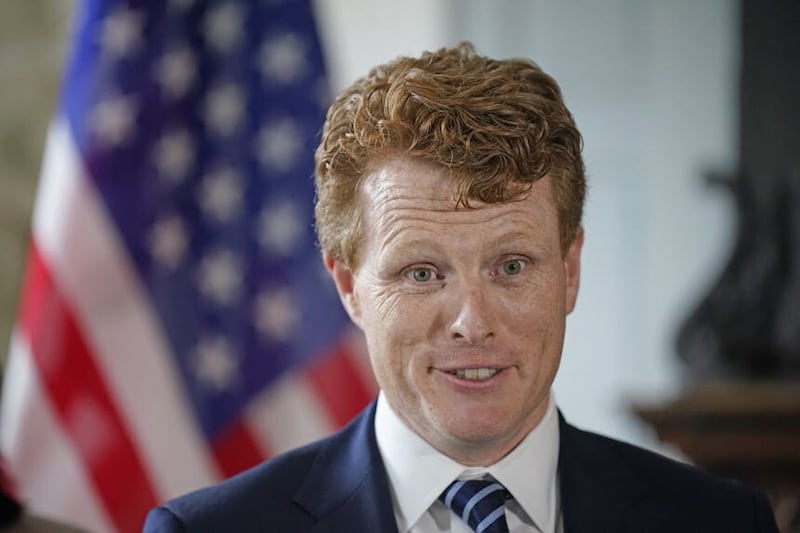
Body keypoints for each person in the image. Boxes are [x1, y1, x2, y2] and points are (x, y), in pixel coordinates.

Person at [144, 43, 778, 533]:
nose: (473, 322)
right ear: (348, 287)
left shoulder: (722, 523)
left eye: (511, 266)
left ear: (570, 269)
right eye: (422, 273)